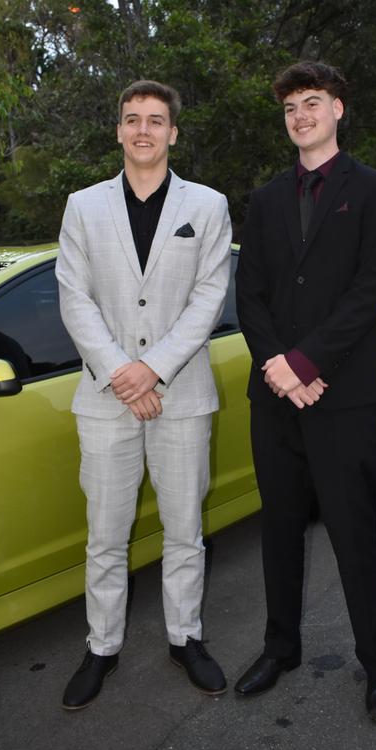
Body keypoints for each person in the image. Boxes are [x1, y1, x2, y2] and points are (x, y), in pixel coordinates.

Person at [234, 61, 376, 724]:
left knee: (353, 532)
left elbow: (370, 290)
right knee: (278, 528)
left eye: (312, 103)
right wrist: (278, 365)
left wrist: (304, 361)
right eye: (290, 109)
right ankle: (282, 648)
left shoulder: (375, 190)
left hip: (346, 394)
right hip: (275, 394)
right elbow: (251, 294)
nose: (300, 116)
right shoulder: (266, 199)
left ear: (337, 109)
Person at [56, 79, 232, 710]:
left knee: (185, 530)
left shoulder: (207, 206)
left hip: (181, 396)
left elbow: (209, 298)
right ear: (119, 130)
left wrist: (152, 369)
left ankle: (186, 638)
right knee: (105, 535)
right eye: (132, 120)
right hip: (105, 400)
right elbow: (74, 298)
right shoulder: (82, 206)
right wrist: (120, 373)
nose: (143, 131)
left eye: (155, 121)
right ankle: (101, 646)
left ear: (173, 133)